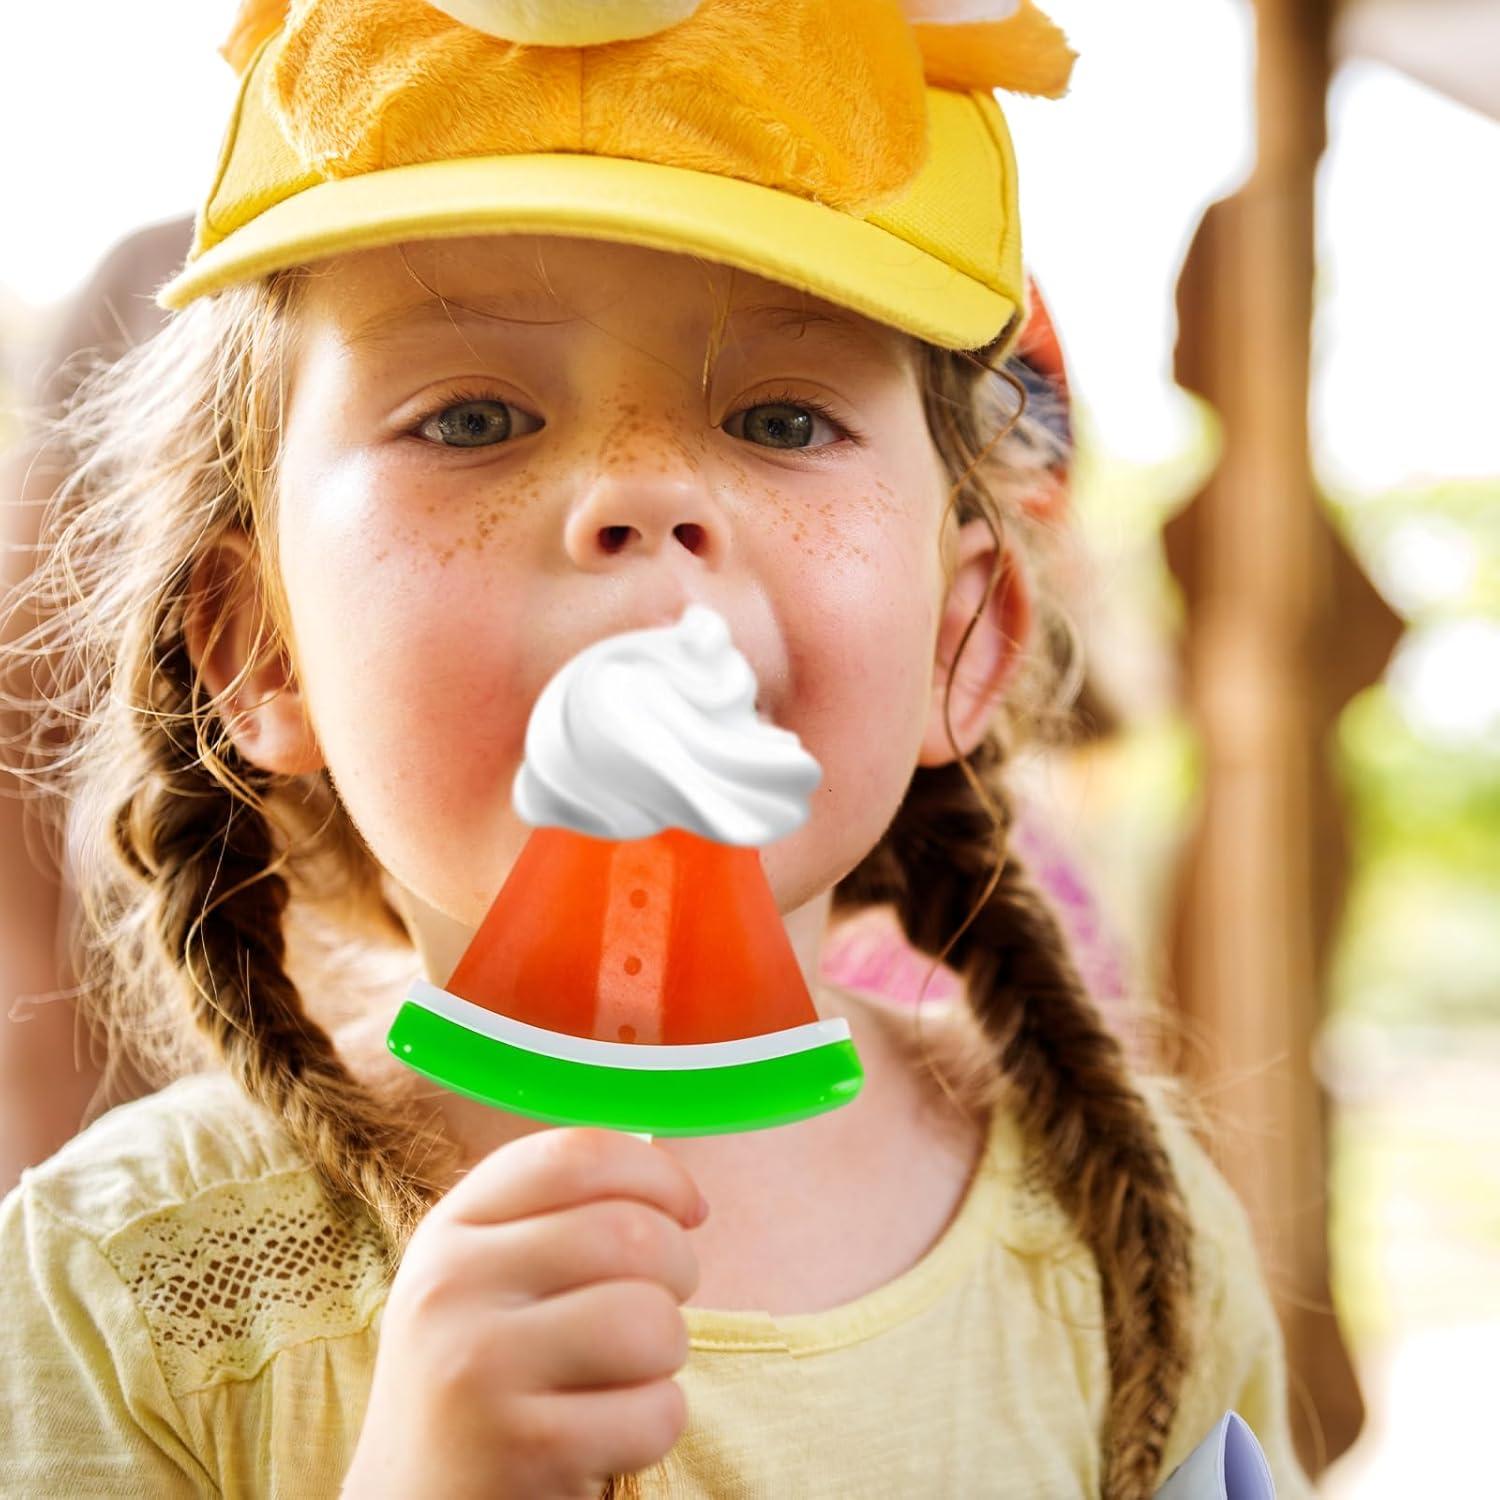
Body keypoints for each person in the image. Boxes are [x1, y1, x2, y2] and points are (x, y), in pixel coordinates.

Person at [0, 2, 1312, 1497]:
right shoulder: (120, 1284)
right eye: (476, 415)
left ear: (966, 638)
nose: (640, 491)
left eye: (781, 417)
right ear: (260, 649)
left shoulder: (1132, 1241)